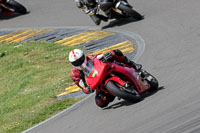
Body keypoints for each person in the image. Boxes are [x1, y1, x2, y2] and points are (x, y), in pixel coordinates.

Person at [69, 49, 142, 108]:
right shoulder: (75, 74)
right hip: (98, 84)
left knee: (115, 52)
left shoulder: (90, 58)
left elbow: (99, 56)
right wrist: (88, 89)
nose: (79, 63)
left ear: (84, 57)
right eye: (76, 63)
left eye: (80, 59)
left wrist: (107, 55)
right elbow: (82, 86)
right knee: (100, 102)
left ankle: (132, 64)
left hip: (104, 71)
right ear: (72, 64)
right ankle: (115, 92)